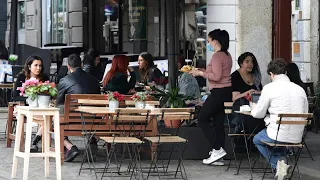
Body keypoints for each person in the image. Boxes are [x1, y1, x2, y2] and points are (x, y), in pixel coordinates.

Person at [251, 59, 308, 179]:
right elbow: (305, 112)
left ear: (271, 74)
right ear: (286, 73)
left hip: (277, 134)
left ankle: (278, 164)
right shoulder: (300, 89)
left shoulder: (269, 88)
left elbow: (258, 114)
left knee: (257, 139)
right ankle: (281, 166)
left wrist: (254, 107)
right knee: (279, 139)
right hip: (297, 136)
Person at [189, 29, 232, 165]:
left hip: (219, 92)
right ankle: (218, 154)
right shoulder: (226, 55)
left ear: (215, 40)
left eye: (208, 41)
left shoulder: (217, 56)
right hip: (226, 92)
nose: (208, 43)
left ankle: (217, 148)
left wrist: (201, 74)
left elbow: (216, 77)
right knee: (218, 122)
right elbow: (215, 72)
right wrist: (200, 71)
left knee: (202, 119)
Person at [56, 53, 101, 162]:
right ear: (81, 64)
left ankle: (69, 146)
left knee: (56, 117)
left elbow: (59, 102)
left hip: (72, 120)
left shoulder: (64, 80)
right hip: (93, 119)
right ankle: (93, 140)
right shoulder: (94, 80)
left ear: (68, 67)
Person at [13, 55, 50, 152]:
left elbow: (49, 93)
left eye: (40, 66)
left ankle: (35, 141)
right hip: (26, 107)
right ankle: (32, 142)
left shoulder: (44, 77)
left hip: (41, 107)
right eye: (36, 65)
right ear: (29, 66)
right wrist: (28, 97)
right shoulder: (22, 77)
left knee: (50, 117)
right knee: (47, 118)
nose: (38, 68)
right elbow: (14, 96)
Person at [231, 52, 264, 134]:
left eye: (252, 62)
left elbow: (261, 92)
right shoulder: (235, 77)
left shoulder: (255, 76)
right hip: (240, 110)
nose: (250, 64)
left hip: (255, 109)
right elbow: (234, 98)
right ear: (241, 63)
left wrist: (258, 92)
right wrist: (247, 93)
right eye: (247, 61)